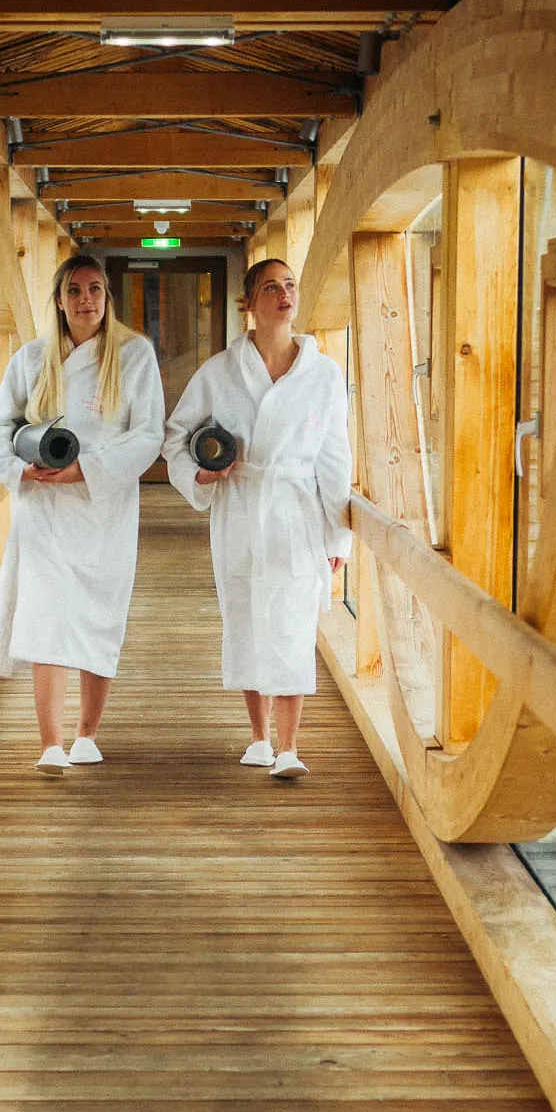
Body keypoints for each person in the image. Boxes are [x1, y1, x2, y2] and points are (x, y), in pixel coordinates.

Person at [0, 251, 165, 770]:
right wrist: (21, 469)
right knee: (47, 618)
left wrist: (88, 469)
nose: (86, 300)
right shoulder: (32, 359)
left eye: (95, 289)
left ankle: (87, 733)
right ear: (59, 301)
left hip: (104, 505)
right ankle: (50, 743)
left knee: (101, 615)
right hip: (45, 511)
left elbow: (148, 434)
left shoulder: (133, 356)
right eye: (75, 291)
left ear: (107, 296)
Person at [164, 255, 352, 781]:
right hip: (241, 507)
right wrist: (199, 476)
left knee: (293, 624)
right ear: (250, 303)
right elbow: (176, 435)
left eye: (290, 285)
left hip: (295, 511)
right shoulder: (220, 371)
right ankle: (259, 737)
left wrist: (338, 536)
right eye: (271, 287)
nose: (284, 294)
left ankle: (289, 747)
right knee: (245, 618)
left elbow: (335, 458)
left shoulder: (324, 373)